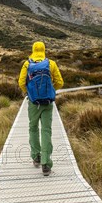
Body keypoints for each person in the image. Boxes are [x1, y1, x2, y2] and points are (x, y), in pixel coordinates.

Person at [19, 41, 64, 176]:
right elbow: (60, 82)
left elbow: (21, 82)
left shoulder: (27, 64)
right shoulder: (51, 64)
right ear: (44, 49)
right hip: (47, 103)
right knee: (46, 130)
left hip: (33, 103)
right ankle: (46, 163)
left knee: (33, 128)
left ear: (33, 49)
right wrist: (50, 90)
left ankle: (36, 157)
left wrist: (30, 93)